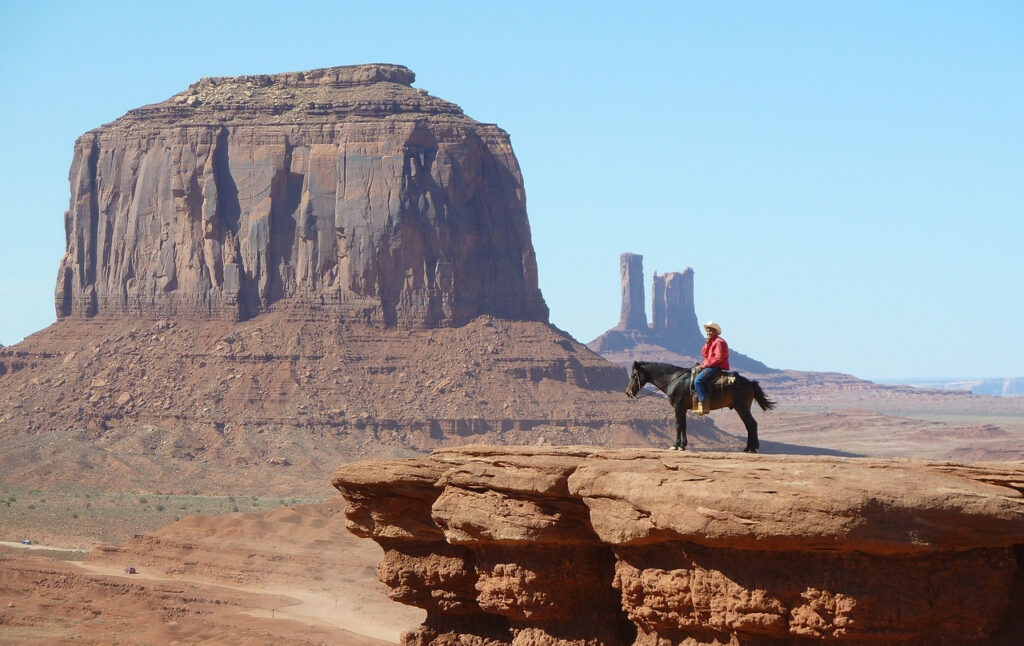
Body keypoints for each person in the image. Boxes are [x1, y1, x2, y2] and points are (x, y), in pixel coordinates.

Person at [693, 321, 729, 415]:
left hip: (715, 367)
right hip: (710, 365)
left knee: (698, 381)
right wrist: (707, 344)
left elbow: (718, 358)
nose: (708, 333)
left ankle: (704, 405)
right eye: (707, 331)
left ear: (715, 331)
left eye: (710, 331)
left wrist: (704, 365)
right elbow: (704, 354)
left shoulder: (719, 342)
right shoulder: (712, 341)